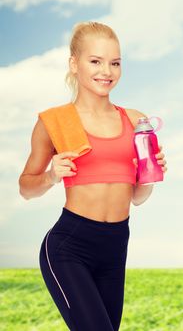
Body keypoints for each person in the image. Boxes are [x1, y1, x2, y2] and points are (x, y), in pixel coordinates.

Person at [18, 21, 167, 331]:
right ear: (75, 64)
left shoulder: (136, 121)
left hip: (115, 247)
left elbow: (138, 197)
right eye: (95, 61)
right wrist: (51, 175)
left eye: (115, 63)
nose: (107, 71)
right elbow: (25, 188)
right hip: (70, 246)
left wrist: (149, 173)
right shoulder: (56, 121)